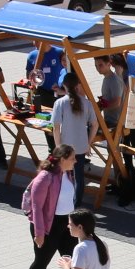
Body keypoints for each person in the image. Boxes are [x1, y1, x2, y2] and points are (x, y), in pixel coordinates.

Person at [21, 145, 79, 269]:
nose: (76, 161)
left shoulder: (69, 173)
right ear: (62, 159)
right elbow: (36, 207)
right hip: (48, 226)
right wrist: (39, 233)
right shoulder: (45, 177)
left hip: (66, 224)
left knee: (72, 259)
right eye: (72, 158)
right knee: (42, 260)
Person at [48, 72, 97, 205]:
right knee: (79, 177)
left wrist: (57, 147)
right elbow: (94, 125)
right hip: (81, 145)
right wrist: (89, 142)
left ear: (64, 85)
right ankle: (76, 205)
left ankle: (62, 203)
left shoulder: (59, 103)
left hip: (65, 146)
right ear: (78, 86)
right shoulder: (87, 103)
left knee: (63, 176)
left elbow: (56, 128)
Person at [25, 39, 64, 115]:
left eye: (37, 41)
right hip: (43, 93)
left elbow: (68, 69)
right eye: (34, 40)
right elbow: (29, 74)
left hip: (59, 92)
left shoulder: (59, 52)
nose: (34, 44)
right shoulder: (32, 55)